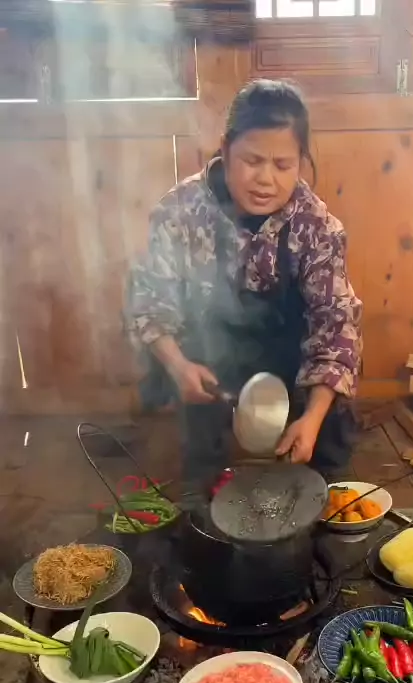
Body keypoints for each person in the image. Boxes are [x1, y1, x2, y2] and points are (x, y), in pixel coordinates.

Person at [127, 79, 362, 488]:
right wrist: (179, 367)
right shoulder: (179, 213)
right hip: (212, 371)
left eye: (282, 165)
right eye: (252, 160)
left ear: (301, 162)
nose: (265, 179)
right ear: (225, 148)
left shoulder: (316, 226)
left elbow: (336, 326)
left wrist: (312, 418)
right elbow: (149, 303)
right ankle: (203, 484)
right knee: (201, 482)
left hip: (292, 371)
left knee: (327, 455)